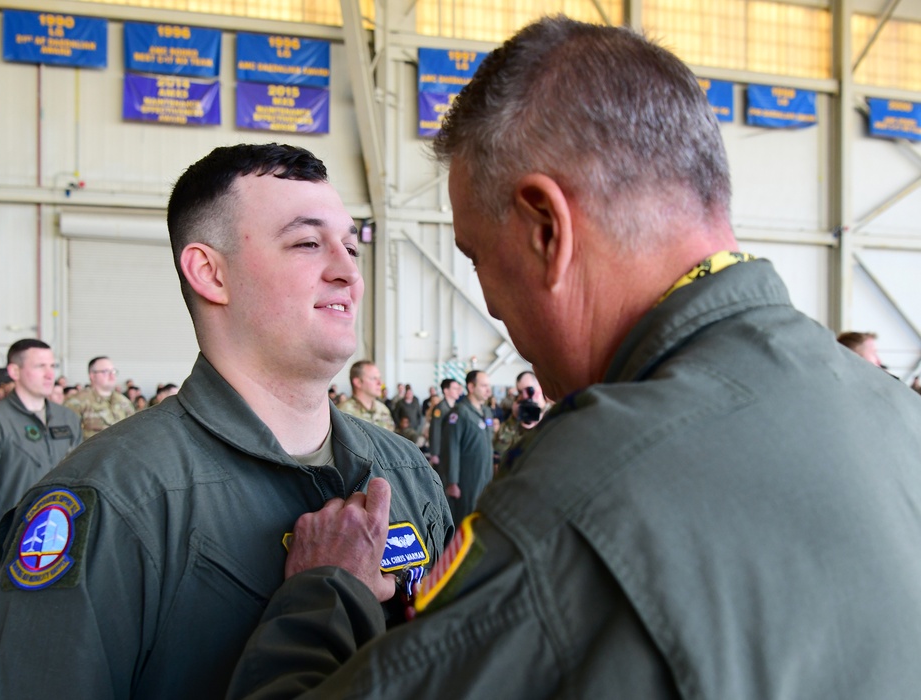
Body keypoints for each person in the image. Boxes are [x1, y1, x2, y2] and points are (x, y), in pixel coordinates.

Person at [226, 18, 921, 699]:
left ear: (545, 230)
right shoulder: (892, 412)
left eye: (478, 258)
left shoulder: (587, 487)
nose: (493, 305)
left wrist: (323, 591)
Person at [0, 143, 452, 700]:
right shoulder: (115, 502)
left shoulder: (406, 473)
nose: (348, 273)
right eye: (308, 243)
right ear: (210, 273)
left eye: (352, 248)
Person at [0, 339, 83, 595]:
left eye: (52, 365)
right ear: (14, 372)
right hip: (10, 546)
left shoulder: (67, 418)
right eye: (40, 366)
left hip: (63, 543)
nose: (50, 374)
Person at [439, 369, 494, 526]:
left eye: (488, 386)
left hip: (485, 474)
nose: (488, 390)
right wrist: (452, 481)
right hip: (466, 477)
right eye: (483, 386)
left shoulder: (487, 411)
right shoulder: (459, 413)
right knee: (465, 520)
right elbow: (451, 447)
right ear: (471, 387)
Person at [63, 356, 136, 439]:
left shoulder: (124, 402)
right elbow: (68, 440)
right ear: (92, 376)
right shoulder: (76, 402)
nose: (112, 376)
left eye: (113, 371)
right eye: (105, 371)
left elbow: (133, 433)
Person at [492, 370, 548, 465]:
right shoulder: (517, 416)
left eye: (529, 390)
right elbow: (498, 448)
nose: (525, 396)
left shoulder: (553, 412)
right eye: (520, 392)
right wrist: (513, 419)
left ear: (540, 387)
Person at [337, 360, 396, 430]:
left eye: (380, 378)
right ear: (358, 382)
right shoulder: (343, 413)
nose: (380, 383)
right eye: (374, 378)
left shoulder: (383, 410)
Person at [425, 377, 461, 468]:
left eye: (458, 388)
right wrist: (435, 453)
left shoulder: (457, 407)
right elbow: (435, 430)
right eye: (455, 388)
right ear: (446, 390)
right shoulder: (440, 408)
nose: (458, 391)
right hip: (442, 450)